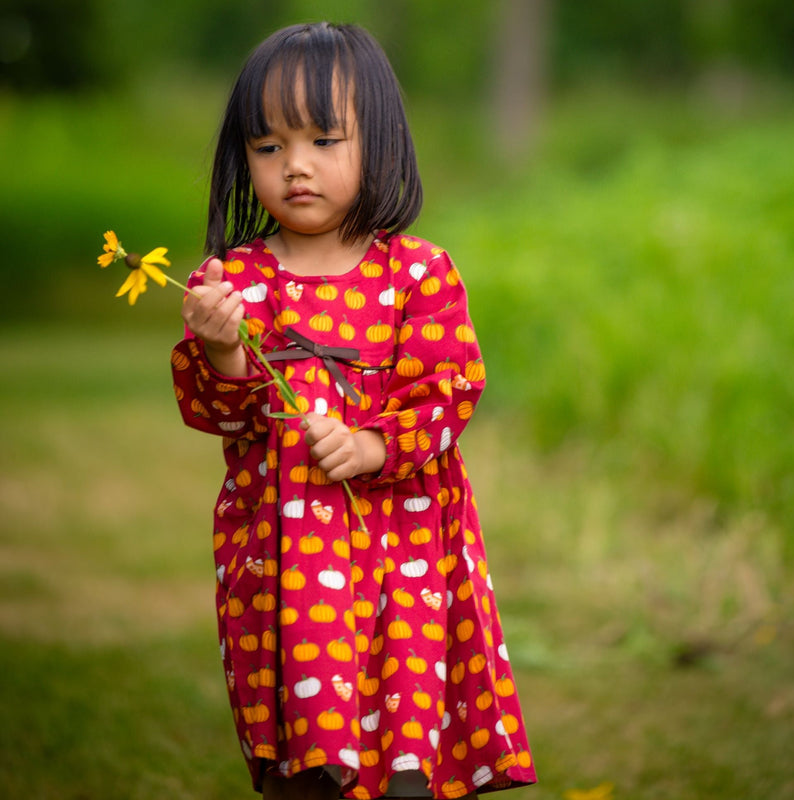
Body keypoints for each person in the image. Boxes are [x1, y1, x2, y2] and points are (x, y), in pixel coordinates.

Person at [171, 21, 537, 800]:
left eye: (324, 139)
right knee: (309, 737)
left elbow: (450, 386)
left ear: (379, 142)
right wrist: (224, 350)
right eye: (267, 147)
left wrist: (375, 446)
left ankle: (408, 776)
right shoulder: (236, 280)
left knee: (404, 714)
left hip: (404, 540)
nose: (295, 166)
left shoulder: (417, 272)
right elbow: (218, 414)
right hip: (285, 553)